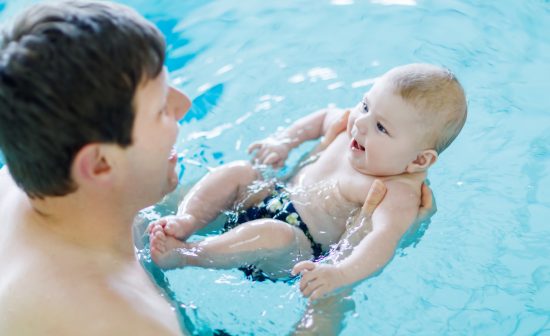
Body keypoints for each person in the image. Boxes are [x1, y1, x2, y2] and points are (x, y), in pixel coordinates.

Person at [148, 63, 463, 299]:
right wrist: (283, 142)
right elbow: (321, 118)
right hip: (270, 195)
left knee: (273, 233)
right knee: (238, 171)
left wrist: (339, 273)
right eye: (365, 105)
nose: (361, 124)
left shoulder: (396, 191)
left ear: (419, 160)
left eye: (382, 128)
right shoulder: (349, 126)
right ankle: (186, 220)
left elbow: (382, 240)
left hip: (297, 247)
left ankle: (189, 254)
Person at [0, 1, 192, 335]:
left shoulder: (28, 177)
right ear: (101, 164)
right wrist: (317, 318)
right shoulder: (120, 323)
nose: (184, 105)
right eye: (161, 108)